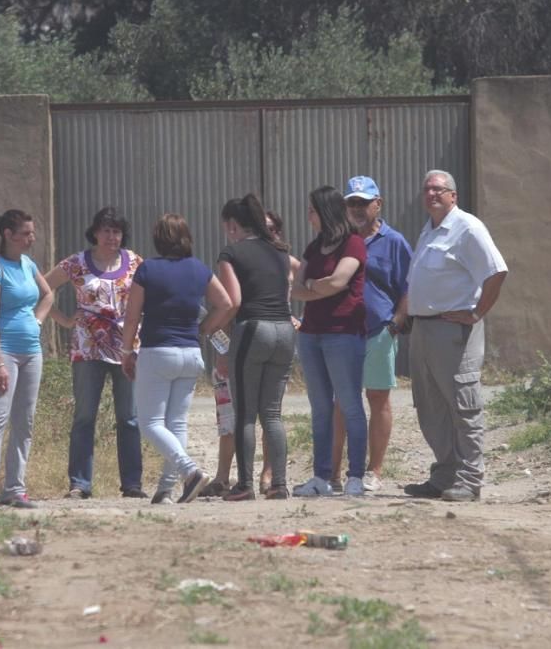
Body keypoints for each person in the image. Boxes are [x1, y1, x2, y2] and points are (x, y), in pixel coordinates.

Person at [404, 170, 508, 503]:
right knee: (431, 405)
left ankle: (469, 478)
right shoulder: (429, 230)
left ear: (454, 195)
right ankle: (445, 474)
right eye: (427, 190)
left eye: (439, 189)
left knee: (463, 405)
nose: (432, 194)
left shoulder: (467, 228)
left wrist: (477, 312)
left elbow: (496, 271)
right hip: (423, 329)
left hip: (453, 331)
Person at [120, 214, 232, 504]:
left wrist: (125, 351)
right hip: (191, 352)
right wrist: (205, 329)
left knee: (150, 423)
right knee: (177, 424)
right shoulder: (199, 269)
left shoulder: (147, 270)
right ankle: (166, 490)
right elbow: (226, 303)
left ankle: (190, 471)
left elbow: (132, 316)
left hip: (158, 351)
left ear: (158, 239)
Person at [44, 207, 146, 499]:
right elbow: (41, 288)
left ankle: (132, 484)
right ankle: (80, 483)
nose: (111, 236)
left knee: (129, 417)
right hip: (88, 351)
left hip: (127, 350)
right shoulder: (77, 263)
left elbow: (149, 297)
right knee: (85, 416)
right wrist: (63, 320)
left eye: (116, 231)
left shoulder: (135, 263)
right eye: (105, 230)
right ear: (95, 232)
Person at [200, 208, 300, 499]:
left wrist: (206, 327)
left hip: (253, 329)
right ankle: (279, 483)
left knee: (245, 414)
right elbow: (302, 279)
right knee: (272, 414)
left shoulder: (232, 254)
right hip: (284, 330)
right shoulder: (281, 253)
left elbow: (232, 302)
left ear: (235, 225)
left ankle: (244, 485)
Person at [329, 176, 412, 493]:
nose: (357, 208)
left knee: (377, 399)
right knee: (341, 402)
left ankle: (373, 471)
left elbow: (408, 285)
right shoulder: (340, 240)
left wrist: (396, 323)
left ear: (378, 203)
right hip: (343, 333)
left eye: (364, 202)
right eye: (352, 202)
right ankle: (333, 474)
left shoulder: (394, 241)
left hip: (379, 331)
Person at [290, 186, 369, 497]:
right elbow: (295, 289)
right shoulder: (314, 247)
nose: (308, 216)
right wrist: (316, 286)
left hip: (344, 333)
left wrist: (314, 285)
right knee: (320, 408)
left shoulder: (354, 244)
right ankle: (321, 477)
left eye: (311, 210)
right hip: (311, 334)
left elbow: (339, 282)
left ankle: (356, 476)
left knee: (349, 405)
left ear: (325, 211)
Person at [0, 210, 54, 508]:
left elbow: (47, 295)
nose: (32, 238)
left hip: (31, 352)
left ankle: (15, 488)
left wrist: (38, 321)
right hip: (3, 350)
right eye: (27, 233)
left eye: (33, 232)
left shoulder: (28, 265)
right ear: (9, 234)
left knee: (25, 421)